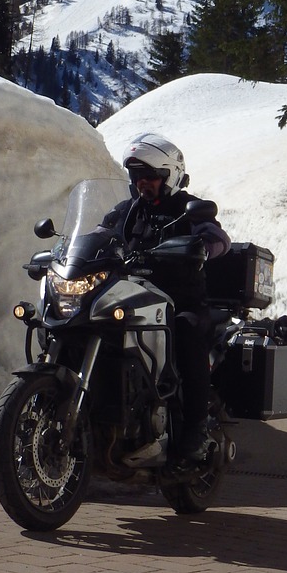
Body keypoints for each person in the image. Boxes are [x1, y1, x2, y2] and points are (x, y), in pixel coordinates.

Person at [100, 131, 231, 464]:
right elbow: (97, 235)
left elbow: (217, 237)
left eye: (150, 176)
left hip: (181, 302)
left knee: (186, 335)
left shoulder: (188, 209)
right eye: (136, 176)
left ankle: (195, 431)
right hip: (132, 299)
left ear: (168, 176)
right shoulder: (127, 211)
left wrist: (202, 246)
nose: (143, 183)